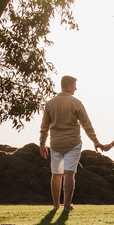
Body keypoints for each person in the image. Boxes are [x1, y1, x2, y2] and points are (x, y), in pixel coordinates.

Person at [39, 75, 101, 211]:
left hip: (55, 143)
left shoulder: (50, 104)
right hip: (73, 143)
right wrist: (95, 141)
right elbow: (86, 124)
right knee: (69, 173)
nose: (76, 88)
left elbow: (44, 127)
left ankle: (56, 205)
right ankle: (67, 205)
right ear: (68, 86)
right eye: (74, 86)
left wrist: (42, 144)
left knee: (56, 174)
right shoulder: (76, 103)